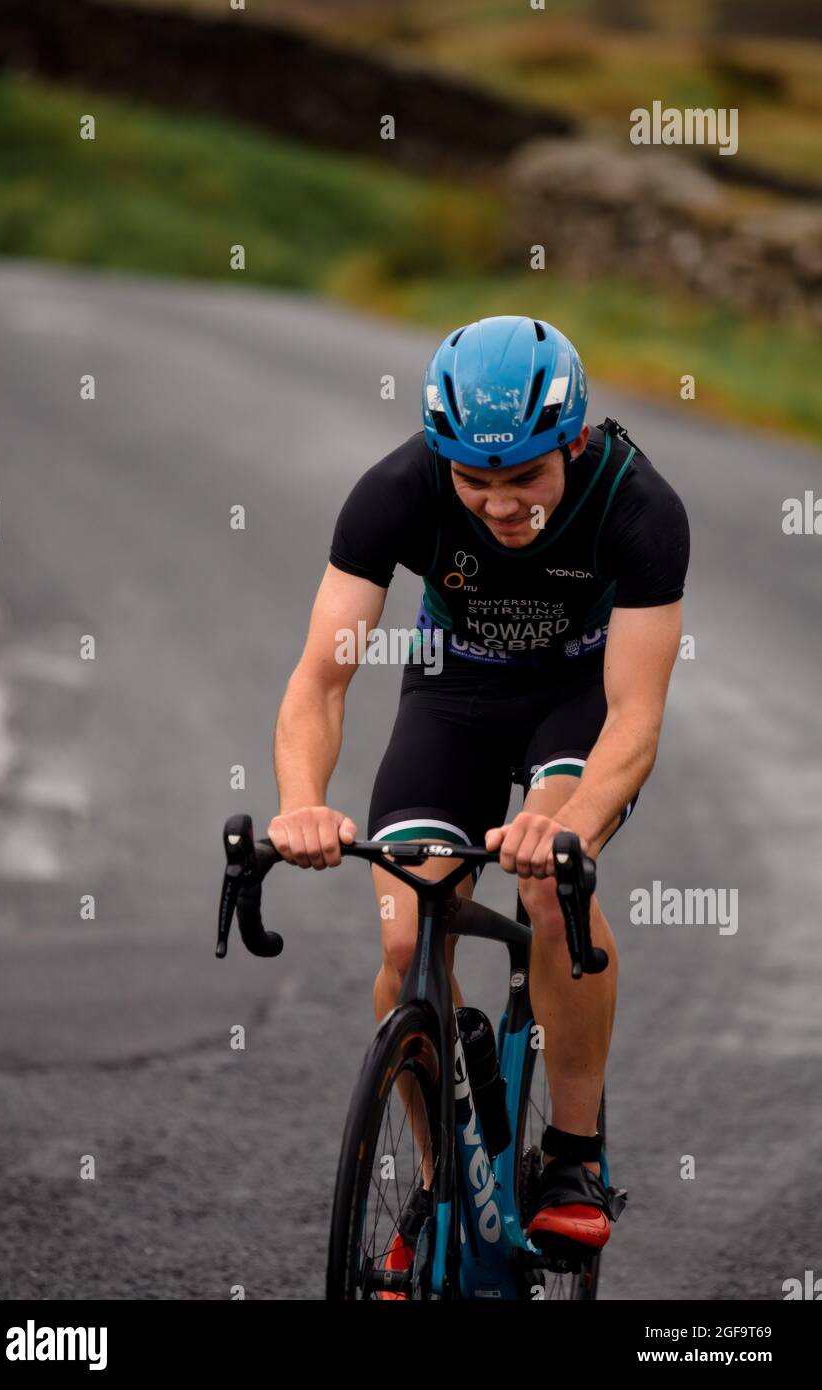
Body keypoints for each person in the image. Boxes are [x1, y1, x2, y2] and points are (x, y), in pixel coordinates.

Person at [269, 314, 690, 1267]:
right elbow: (320, 678)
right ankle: (436, 1181)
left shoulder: (639, 505)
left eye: (525, 479)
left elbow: (635, 719)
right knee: (409, 926)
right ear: (440, 457)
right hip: (453, 691)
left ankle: (574, 1155)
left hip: (576, 699)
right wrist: (301, 799)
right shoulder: (396, 489)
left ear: (571, 443)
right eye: (475, 481)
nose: (500, 505)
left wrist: (569, 826)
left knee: (548, 885)